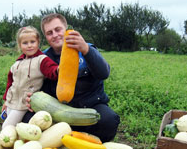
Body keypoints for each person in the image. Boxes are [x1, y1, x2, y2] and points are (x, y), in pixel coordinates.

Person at [24, 13, 120, 142]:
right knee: (27, 117)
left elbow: (104, 73)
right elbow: (30, 83)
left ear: (66, 29)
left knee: (108, 120)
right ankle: (57, 144)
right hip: (57, 111)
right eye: (49, 33)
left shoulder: (87, 48)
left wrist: (85, 49)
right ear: (46, 37)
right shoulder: (42, 58)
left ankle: (96, 145)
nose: (55, 35)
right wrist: (29, 97)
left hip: (89, 108)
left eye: (58, 30)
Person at [1, 26, 59, 129]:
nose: (29, 46)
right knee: (13, 128)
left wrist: (59, 70)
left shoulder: (42, 60)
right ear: (20, 45)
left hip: (24, 104)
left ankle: (4, 143)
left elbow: (52, 70)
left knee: (6, 127)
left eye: (32, 42)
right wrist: (6, 100)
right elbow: (10, 82)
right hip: (11, 101)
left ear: (38, 42)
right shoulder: (17, 62)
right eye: (25, 43)